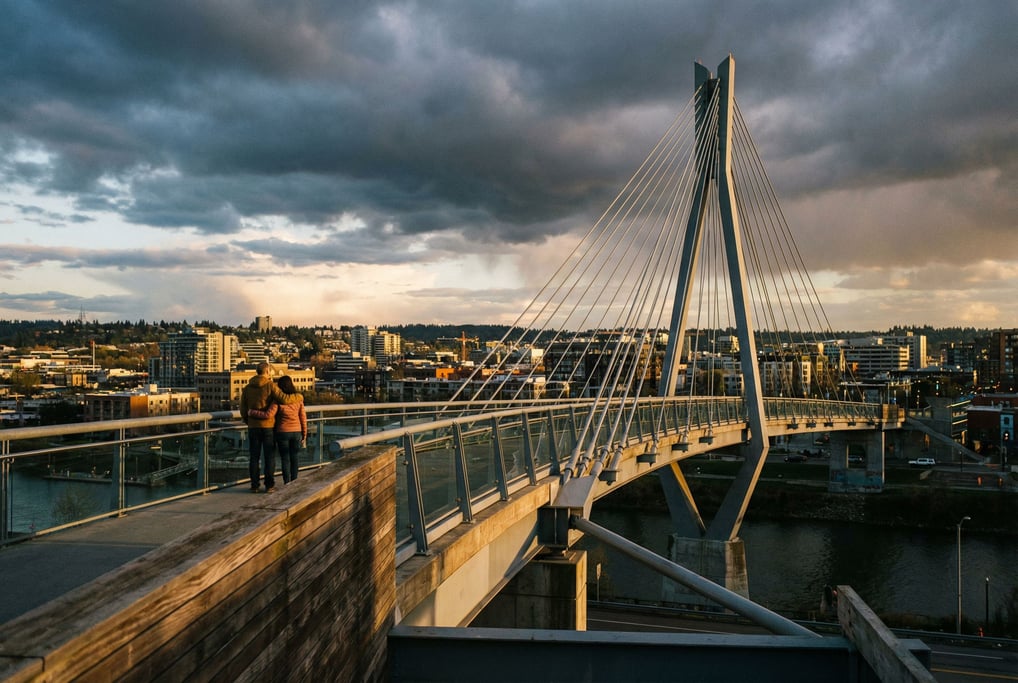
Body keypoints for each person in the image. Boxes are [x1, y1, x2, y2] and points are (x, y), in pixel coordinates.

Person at [239, 363, 300, 493]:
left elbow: (243, 409)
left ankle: (255, 485)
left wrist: (248, 420)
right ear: (266, 371)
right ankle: (269, 485)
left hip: (253, 426)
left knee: (254, 457)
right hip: (268, 426)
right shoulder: (270, 386)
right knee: (269, 457)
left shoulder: (247, 388)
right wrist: (299, 396)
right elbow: (284, 399)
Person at [252, 375, 306, 484]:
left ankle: (287, 482)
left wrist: (252, 412)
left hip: (282, 432)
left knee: (285, 459)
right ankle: (294, 481)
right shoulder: (298, 399)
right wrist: (304, 433)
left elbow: (268, 414)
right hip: (296, 431)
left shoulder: (278, 401)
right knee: (294, 457)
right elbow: (303, 417)